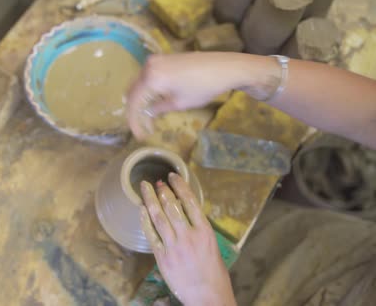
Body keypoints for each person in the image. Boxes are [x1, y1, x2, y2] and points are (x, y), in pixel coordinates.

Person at [125, 52, 376, 306]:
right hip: (344, 257)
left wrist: (208, 294)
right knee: (263, 237)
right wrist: (246, 73)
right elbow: (370, 117)